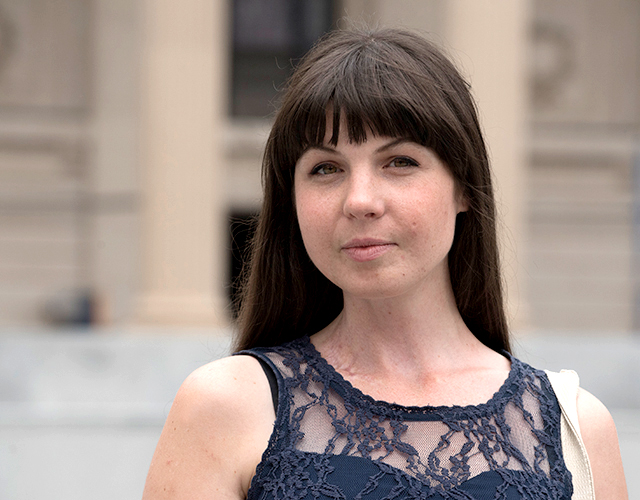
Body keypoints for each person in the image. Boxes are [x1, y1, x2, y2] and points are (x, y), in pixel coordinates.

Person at [142, 28, 627, 499]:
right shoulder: (224, 407)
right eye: (325, 168)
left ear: (462, 186)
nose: (360, 200)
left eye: (399, 162)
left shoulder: (574, 427)